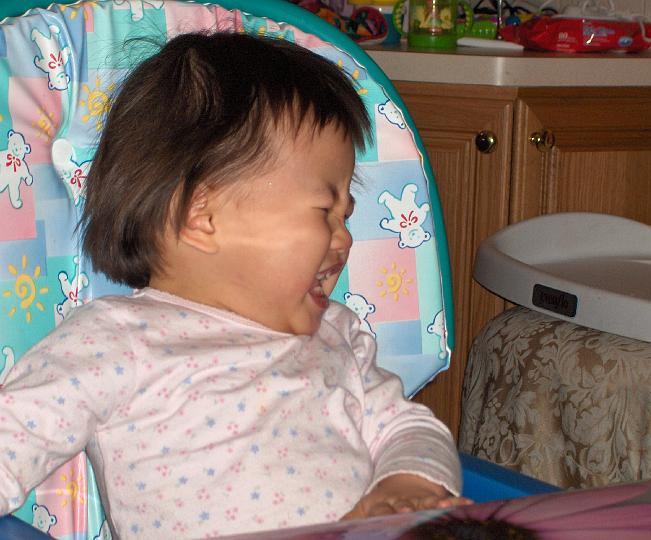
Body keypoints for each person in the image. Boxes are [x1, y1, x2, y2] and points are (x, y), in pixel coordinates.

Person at [0, 32, 468, 538]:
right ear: (202, 216)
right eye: (324, 211)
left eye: (345, 215)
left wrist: (406, 483)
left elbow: (408, 428)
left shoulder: (339, 336)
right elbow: (14, 434)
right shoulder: (116, 342)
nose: (345, 239)